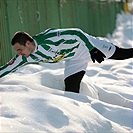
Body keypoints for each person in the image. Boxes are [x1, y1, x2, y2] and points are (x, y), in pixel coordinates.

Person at [0, 28, 133, 93]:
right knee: (71, 90)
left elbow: (76, 33)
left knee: (122, 54)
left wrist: (92, 48)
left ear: (28, 43)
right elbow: (7, 68)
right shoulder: (26, 56)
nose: (19, 53)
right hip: (74, 59)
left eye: (19, 49)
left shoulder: (49, 38)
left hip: (87, 46)